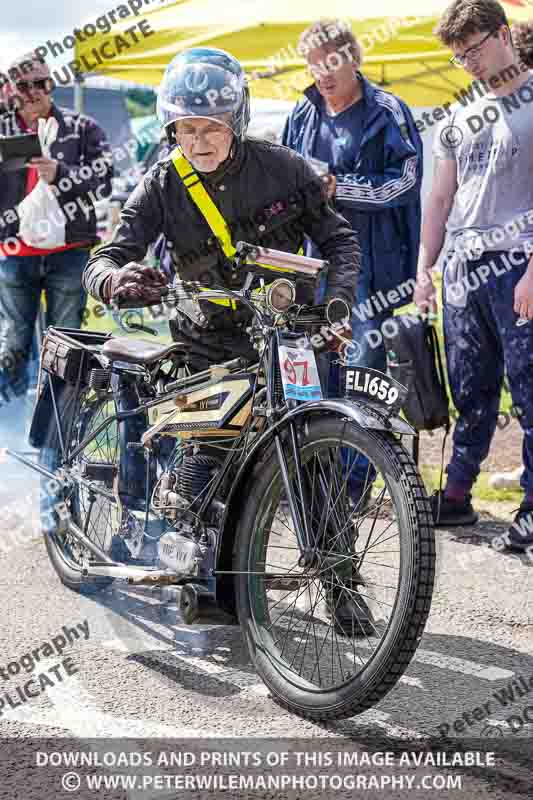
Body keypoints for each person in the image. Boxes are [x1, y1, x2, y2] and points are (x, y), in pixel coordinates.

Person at [83, 47, 371, 634]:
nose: (199, 140)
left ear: (234, 120)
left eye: (210, 127)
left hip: (288, 335)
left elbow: (340, 240)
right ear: (171, 129)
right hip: (208, 339)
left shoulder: (284, 168)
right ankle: (200, 573)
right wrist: (114, 277)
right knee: (208, 456)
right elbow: (107, 254)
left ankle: (341, 585)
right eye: (185, 129)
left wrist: (337, 301)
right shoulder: (163, 181)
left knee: (313, 455)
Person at [282, 18, 423, 504]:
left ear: (354, 58)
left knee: (363, 370)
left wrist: (342, 188)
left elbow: (405, 182)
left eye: (331, 62)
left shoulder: (388, 111)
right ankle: (311, 482)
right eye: (314, 65)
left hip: (369, 266)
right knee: (309, 372)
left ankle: (355, 486)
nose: (323, 74)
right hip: (310, 268)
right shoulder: (302, 113)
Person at [414, 0, 533, 552]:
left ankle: (531, 508)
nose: (469, 64)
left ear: (503, 34)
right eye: (459, 57)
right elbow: (440, 199)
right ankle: (458, 495)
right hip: (463, 267)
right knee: (470, 387)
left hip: (519, 264)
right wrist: (425, 268)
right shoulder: (458, 117)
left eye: (475, 49)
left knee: (529, 391)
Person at [0, 54, 113, 416]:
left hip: (70, 251)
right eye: (23, 85)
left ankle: (56, 427)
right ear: (10, 89)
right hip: (15, 251)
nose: (34, 92)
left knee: (65, 342)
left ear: (52, 84)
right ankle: (13, 423)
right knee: (13, 341)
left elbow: (105, 181)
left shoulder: (84, 128)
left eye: (41, 83)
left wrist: (61, 173)